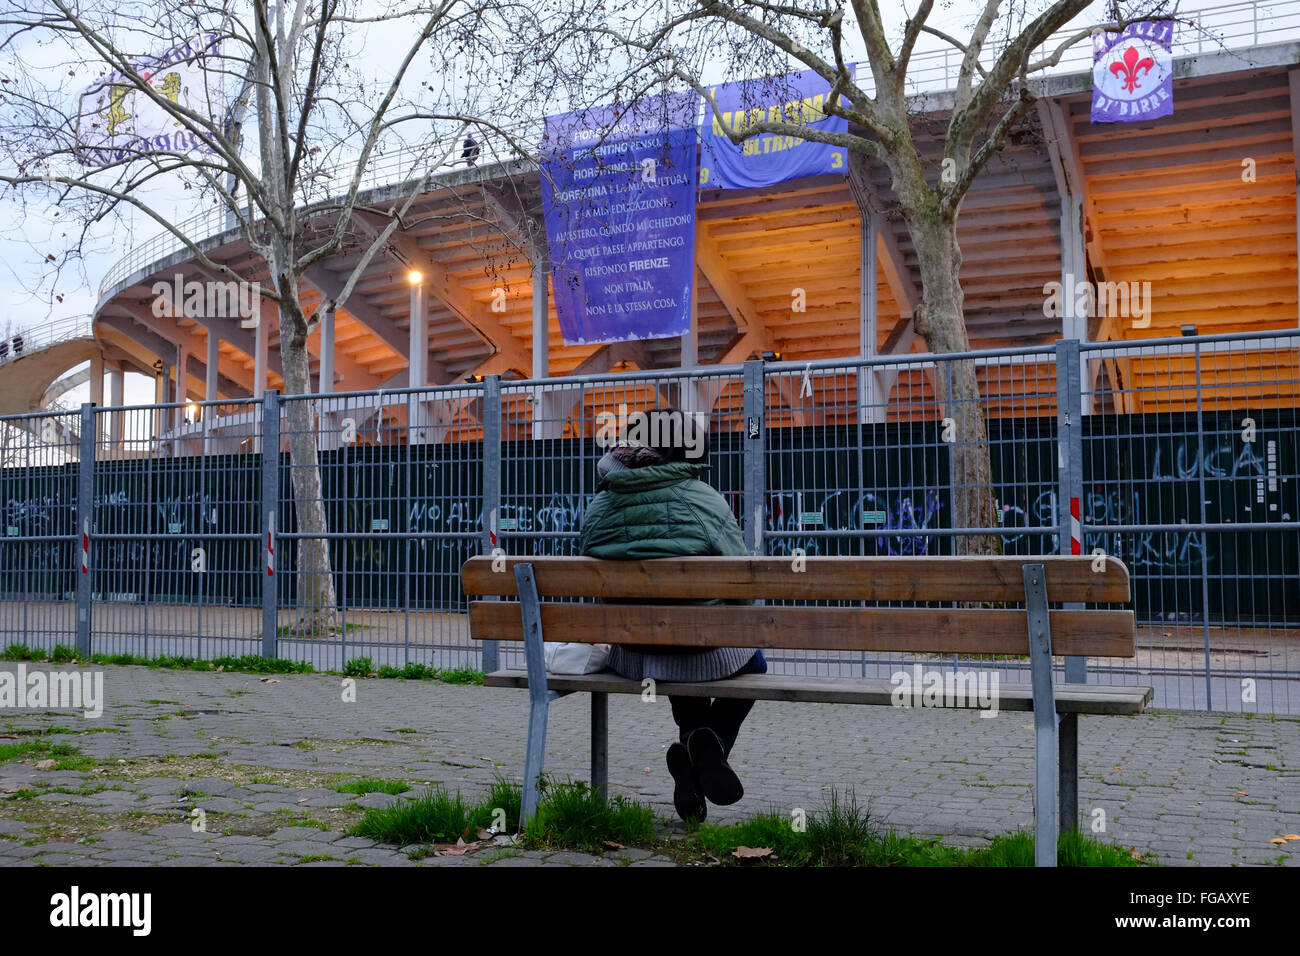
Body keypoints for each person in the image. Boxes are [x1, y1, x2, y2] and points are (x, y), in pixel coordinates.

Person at [578, 407, 766, 822]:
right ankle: (709, 741)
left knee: (675, 654)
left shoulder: (598, 507)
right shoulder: (705, 501)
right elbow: (743, 588)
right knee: (753, 660)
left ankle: (695, 765)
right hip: (700, 648)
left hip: (633, 655)